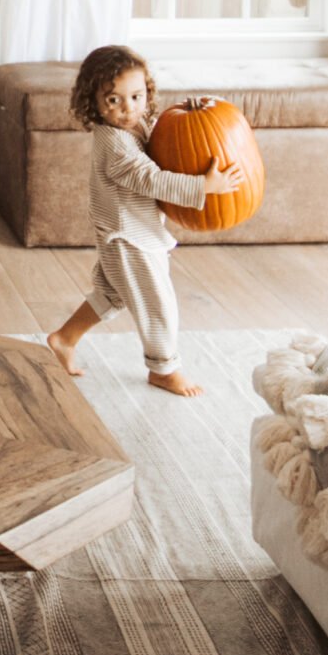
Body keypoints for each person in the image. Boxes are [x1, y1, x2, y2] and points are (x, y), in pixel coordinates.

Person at [45, 43, 244, 398]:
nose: (127, 109)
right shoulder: (115, 144)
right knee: (158, 303)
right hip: (129, 238)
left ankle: (64, 339)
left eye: (136, 97)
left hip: (129, 232)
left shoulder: (135, 128)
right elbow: (150, 179)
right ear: (93, 102)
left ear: (147, 93)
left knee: (112, 293)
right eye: (113, 100)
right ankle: (163, 368)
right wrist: (204, 185)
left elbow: (167, 147)